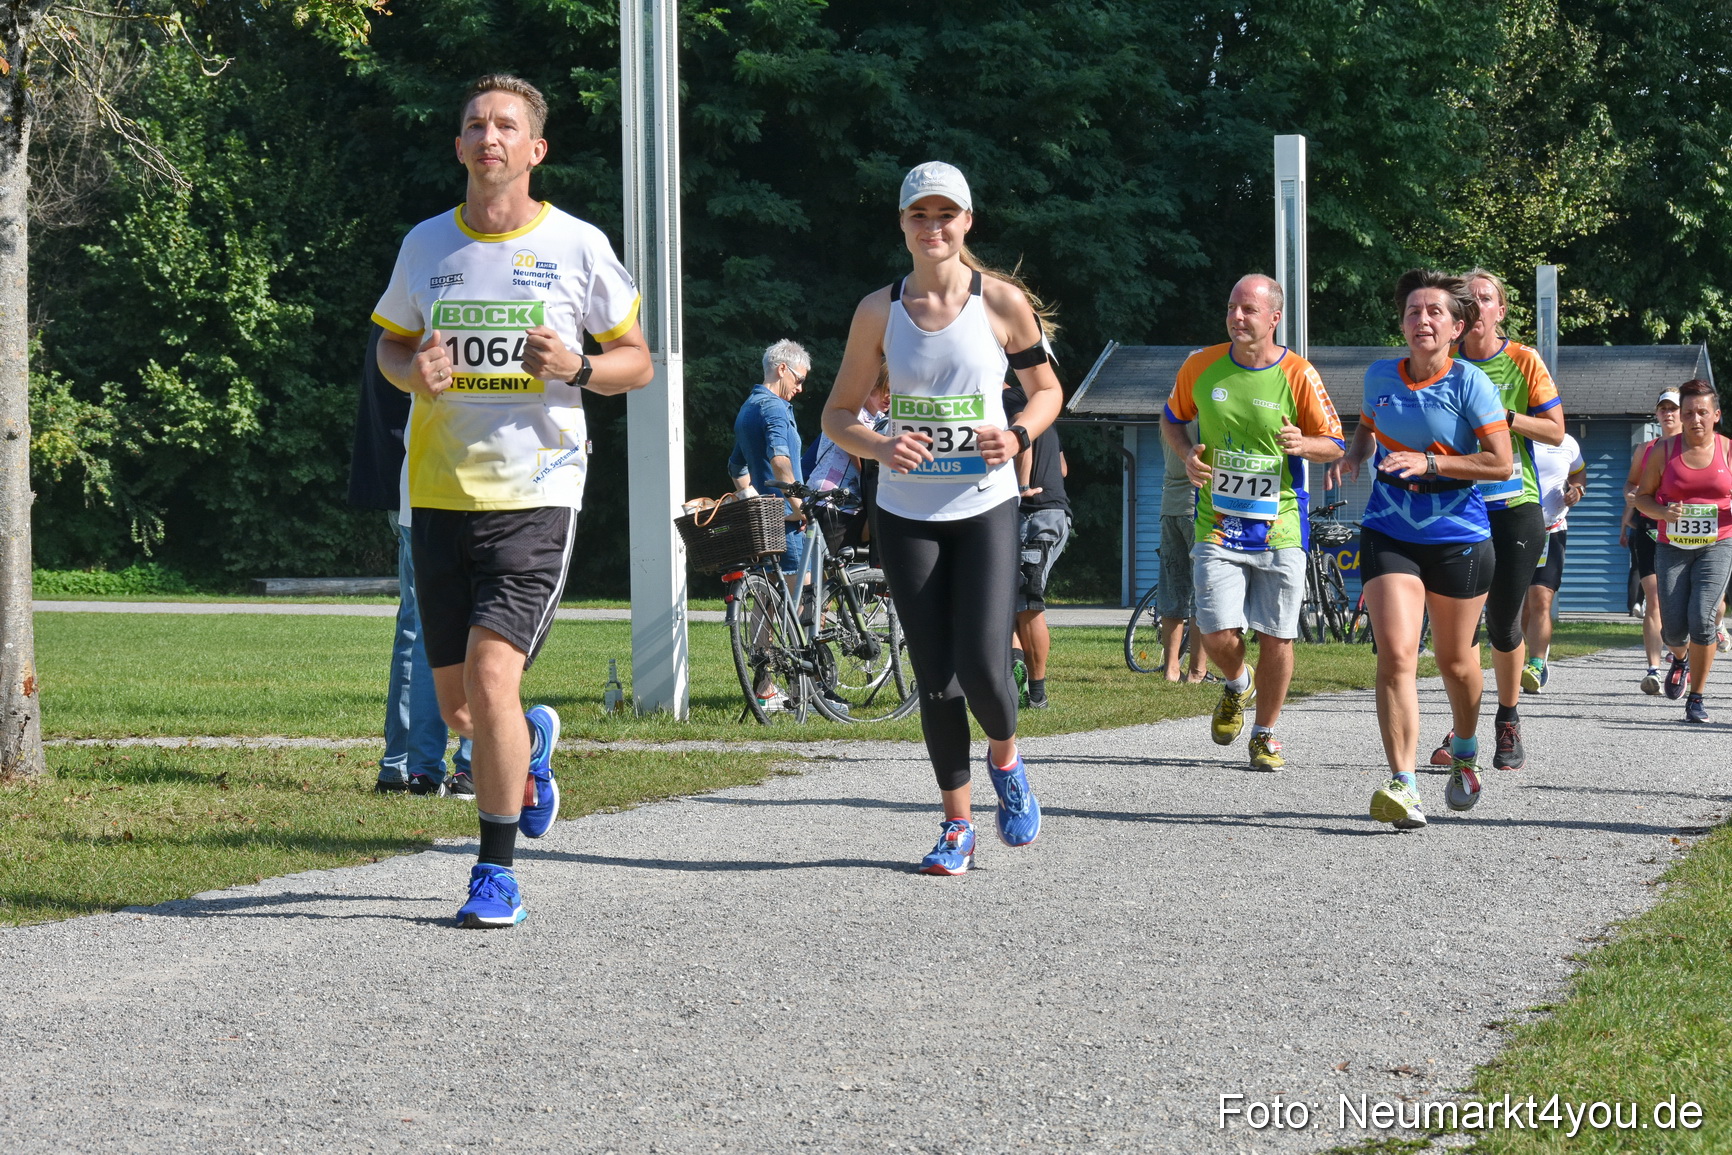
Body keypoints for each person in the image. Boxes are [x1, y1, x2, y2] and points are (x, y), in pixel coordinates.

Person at [372, 74, 652, 927]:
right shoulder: (426, 245)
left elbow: (637, 358)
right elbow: (391, 346)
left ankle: (493, 872)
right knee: (462, 708)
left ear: (535, 150)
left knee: (492, 675)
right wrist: (408, 368)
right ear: (458, 147)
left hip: (538, 491)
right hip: (438, 491)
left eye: (506, 126)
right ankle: (528, 746)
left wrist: (579, 368)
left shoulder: (576, 245)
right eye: (473, 125)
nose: (488, 137)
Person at [820, 160, 1063, 875]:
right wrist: (880, 441)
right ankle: (956, 825)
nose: (933, 228)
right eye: (919, 216)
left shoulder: (1002, 302)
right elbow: (836, 413)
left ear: (967, 223)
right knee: (934, 675)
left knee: (987, 668)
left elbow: (1047, 391)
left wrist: (1017, 435)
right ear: (902, 225)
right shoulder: (878, 311)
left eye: (945, 215)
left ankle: (1007, 758)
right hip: (905, 509)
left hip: (985, 505)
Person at [1341, 270, 1512, 830]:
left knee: (1455, 660)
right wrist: (1351, 454)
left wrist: (1432, 462)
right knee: (1396, 655)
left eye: (1435, 312)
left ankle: (1465, 749)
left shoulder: (1470, 384)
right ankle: (1403, 782)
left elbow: (1500, 464)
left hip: (1458, 535)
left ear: (1457, 326)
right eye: (1414, 311)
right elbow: (1368, 427)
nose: (1423, 320)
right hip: (1389, 528)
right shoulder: (1377, 377)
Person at [1162, 274, 1344, 771]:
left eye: (1249, 310)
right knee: (1219, 631)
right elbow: (1172, 417)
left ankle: (1265, 733)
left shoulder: (1299, 374)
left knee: (1279, 636)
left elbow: (1335, 442)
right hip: (1217, 523)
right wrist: (1185, 454)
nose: (1237, 317)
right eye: (1231, 308)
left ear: (1274, 318)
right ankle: (1238, 682)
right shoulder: (1201, 366)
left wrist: (1302, 445)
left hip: (1281, 524)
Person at [1426, 270, 1564, 773]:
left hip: (1514, 508)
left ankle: (1508, 720)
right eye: (1468, 300)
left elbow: (1555, 431)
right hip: (1458, 508)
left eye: (1486, 299)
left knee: (1503, 622)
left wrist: (1504, 418)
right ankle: (1463, 726)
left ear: (1500, 311)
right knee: (1457, 634)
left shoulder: (1523, 360)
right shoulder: (1444, 361)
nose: (1477, 306)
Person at [346, 324, 473, 796]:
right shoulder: (455, 311)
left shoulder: (398, 318)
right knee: (479, 630)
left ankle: (411, 766)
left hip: (413, 491)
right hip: (462, 489)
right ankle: (465, 762)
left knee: (418, 631)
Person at [1632, 378, 1732, 723]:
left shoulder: (1728, 450)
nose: (1695, 419)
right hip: (1672, 545)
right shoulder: (1663, 451)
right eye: (1689, 412)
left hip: (1717, 543)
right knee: (1673, 628)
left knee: (1703, 617)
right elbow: (1642, 497)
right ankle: (1679, 658)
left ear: (1716, 415)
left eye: (1702, 412)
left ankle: (1697, 697)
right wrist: (1661, 512)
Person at [1005, 378, 1070, 710]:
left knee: (1028, 598)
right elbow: (1062, 467)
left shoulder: (1010, 398)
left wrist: (1022, 484)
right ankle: (1016, 664)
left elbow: (1022, 436)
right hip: (1039, 513)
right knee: (1010, 596)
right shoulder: (1035, 401)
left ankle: (1038, 694)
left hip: (1036, 512)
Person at [730, 339, 812, 595]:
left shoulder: (749, 407)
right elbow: (780, 460)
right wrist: (800, 509)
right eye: (798, 380)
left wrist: (756, 508)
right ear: (782, 369)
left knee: (767, 602)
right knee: (808, 601)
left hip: (767, 526)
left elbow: (736, 468)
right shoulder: (775, 408)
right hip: (789, 523)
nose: (800, 388)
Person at [1623, 389, 1688, 695]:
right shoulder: (1645, 449)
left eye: (1673, 409)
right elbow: (1632, 483)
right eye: (1663, 409)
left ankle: (1681, 657)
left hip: (1686, 532)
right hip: (1649, 527)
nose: (1668, 414)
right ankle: (1653, 669)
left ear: (1683, 412)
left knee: (1684, 602)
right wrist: (1631, 495)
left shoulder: (1694, 448)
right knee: (1654, 598)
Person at [1520, 433, 1587, 692]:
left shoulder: (1566, 442)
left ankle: (1536, 663)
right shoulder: (1513, 436)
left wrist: (1578, 490)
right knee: (1522, 607)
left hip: (1552, 530)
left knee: (1541, 598)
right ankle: (1536, 649)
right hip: (1515, 532)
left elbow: (1579, 473)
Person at [1158, 424, 1209, 682]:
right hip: (1197, 506)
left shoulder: (1168, 414)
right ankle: (1197, 671)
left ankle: (1171, 669)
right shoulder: (1207, 407)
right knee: (1202, 592)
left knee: (1172, 591)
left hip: (1169, 508)